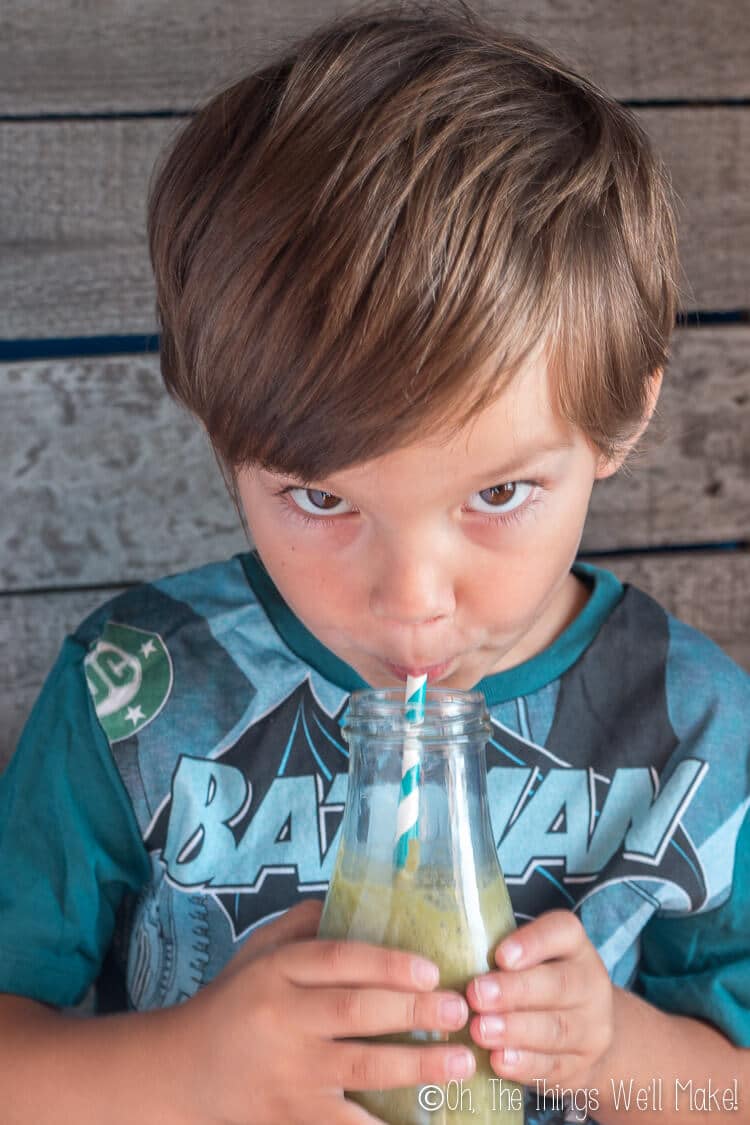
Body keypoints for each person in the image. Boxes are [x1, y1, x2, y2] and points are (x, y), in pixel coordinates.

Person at [1, 2, 748, 1122]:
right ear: (221, 439)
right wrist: (189, 1069)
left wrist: (610, 1053)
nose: (410, 600)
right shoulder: (137, 697)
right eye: (319, 499)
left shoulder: (691, 725)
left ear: (622, 418)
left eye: (498, 494)